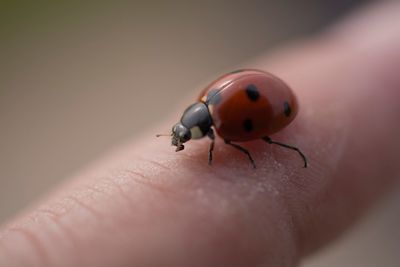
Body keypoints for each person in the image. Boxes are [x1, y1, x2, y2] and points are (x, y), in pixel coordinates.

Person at [1, 2, 400, 266]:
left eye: (184, 134)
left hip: (283, 105)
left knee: (255, 144)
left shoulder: (222, 124)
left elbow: (239, 138)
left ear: (199, 125)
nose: (183, 139)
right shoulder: (210, 113)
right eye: (183, 134)